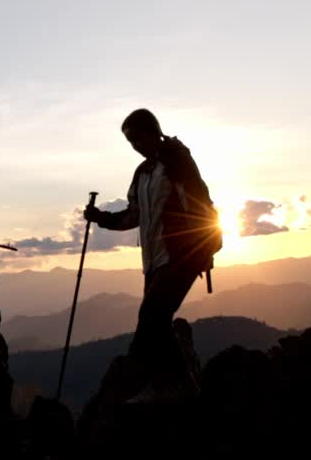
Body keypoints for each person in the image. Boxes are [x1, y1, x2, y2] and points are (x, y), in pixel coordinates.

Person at [84, 108, 222, 402]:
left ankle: (155, 385)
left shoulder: (176, 160)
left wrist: (206, 246)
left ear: (151, 131)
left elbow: (199, 204)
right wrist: (101, 218)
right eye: (129, 142)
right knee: (156, 321)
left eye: (136, 138)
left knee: (151, 316)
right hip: (155, 261)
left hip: (181, 256)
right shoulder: (143, 172)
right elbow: (135, 215)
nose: (134, 146)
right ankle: (180, 386)